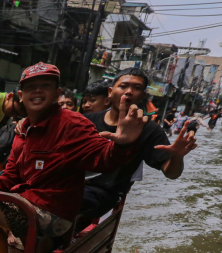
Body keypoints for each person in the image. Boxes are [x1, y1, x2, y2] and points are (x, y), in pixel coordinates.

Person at [0, 63, 147, 253]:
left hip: (54, 213)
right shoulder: (23, 130)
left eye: (45, 86)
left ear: (56, 93)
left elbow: (105, 159)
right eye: (31, 87)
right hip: (27, 201)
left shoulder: (72, 124)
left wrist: (124, 143)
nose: (37, 91)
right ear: (21, 95)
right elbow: (9, 178)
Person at [80, 68, 197, 221]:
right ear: (110, 91)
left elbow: (171, 173)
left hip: (104, 193)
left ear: (142, 95)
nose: (128, 92)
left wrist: (177, 156)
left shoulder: (149, 129)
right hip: (73, 184)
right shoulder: (86, 121)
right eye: (123, 86)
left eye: (136, 88)